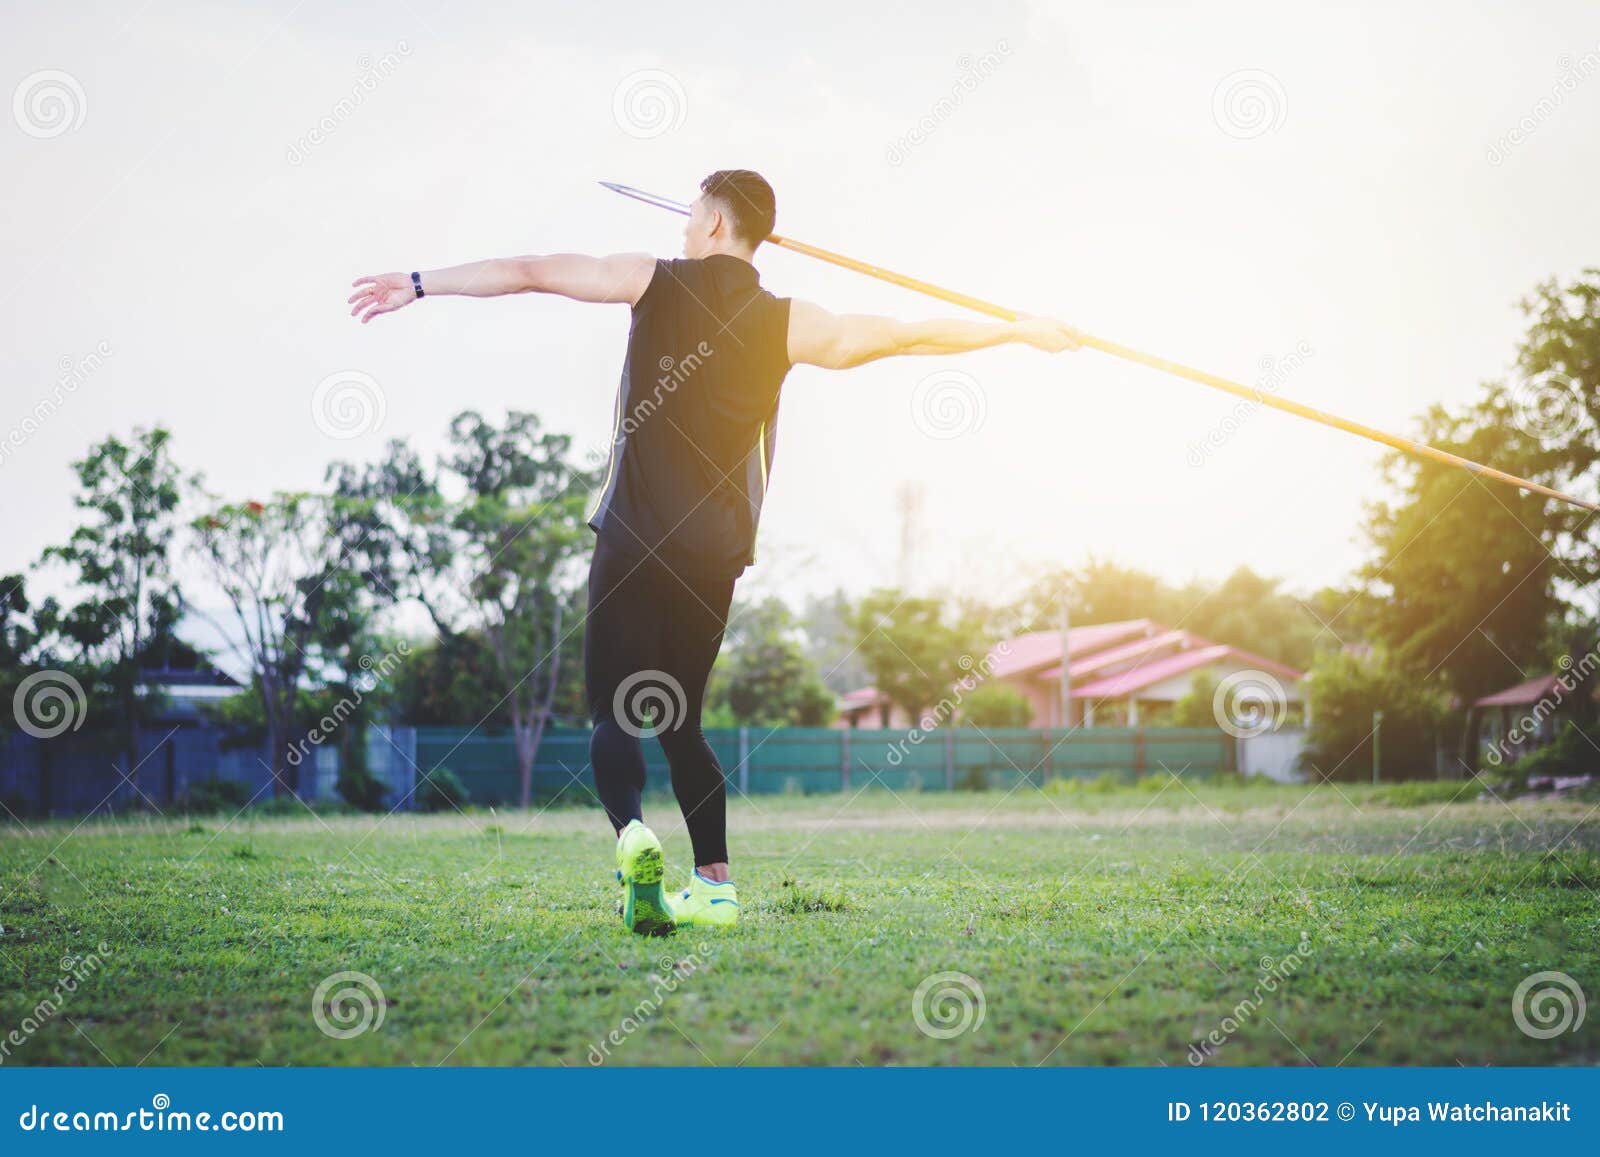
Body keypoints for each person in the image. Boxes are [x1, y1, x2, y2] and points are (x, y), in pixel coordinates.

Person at [349, 169, 1081, 936]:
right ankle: (716, 889)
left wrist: (419, 282)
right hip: (713, 556)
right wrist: (1018, 329)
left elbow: (533, 271)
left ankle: (633, 836)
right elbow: (901, 335)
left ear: (716, 226)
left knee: (614, 711)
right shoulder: (791, 321)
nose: (685, 226)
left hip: (633, 535)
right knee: (682, 720)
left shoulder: (649, 280)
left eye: (693, 212)